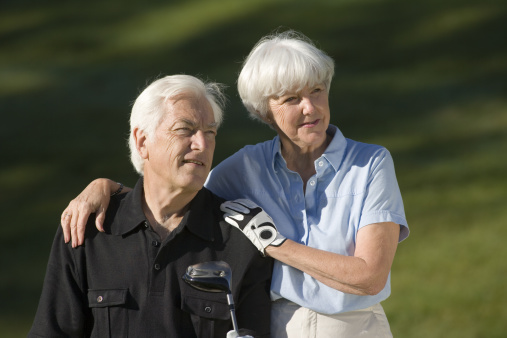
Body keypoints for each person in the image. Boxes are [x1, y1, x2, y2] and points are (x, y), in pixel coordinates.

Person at [60, 30, 409, 338]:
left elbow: (370, 276)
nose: (311, 107)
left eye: (317, 90)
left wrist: (274, 243)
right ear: (264, 111)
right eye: (291, 99)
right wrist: (107, 187)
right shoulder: (243, 169)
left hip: (357, 330)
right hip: (278, 327)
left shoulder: (371, 163)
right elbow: (177, 193)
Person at [29, 75, 272, 338]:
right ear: (142, 142)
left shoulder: (241, 240)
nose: (202, 144)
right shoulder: (88, 228)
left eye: (210, 132)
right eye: (184, 129)